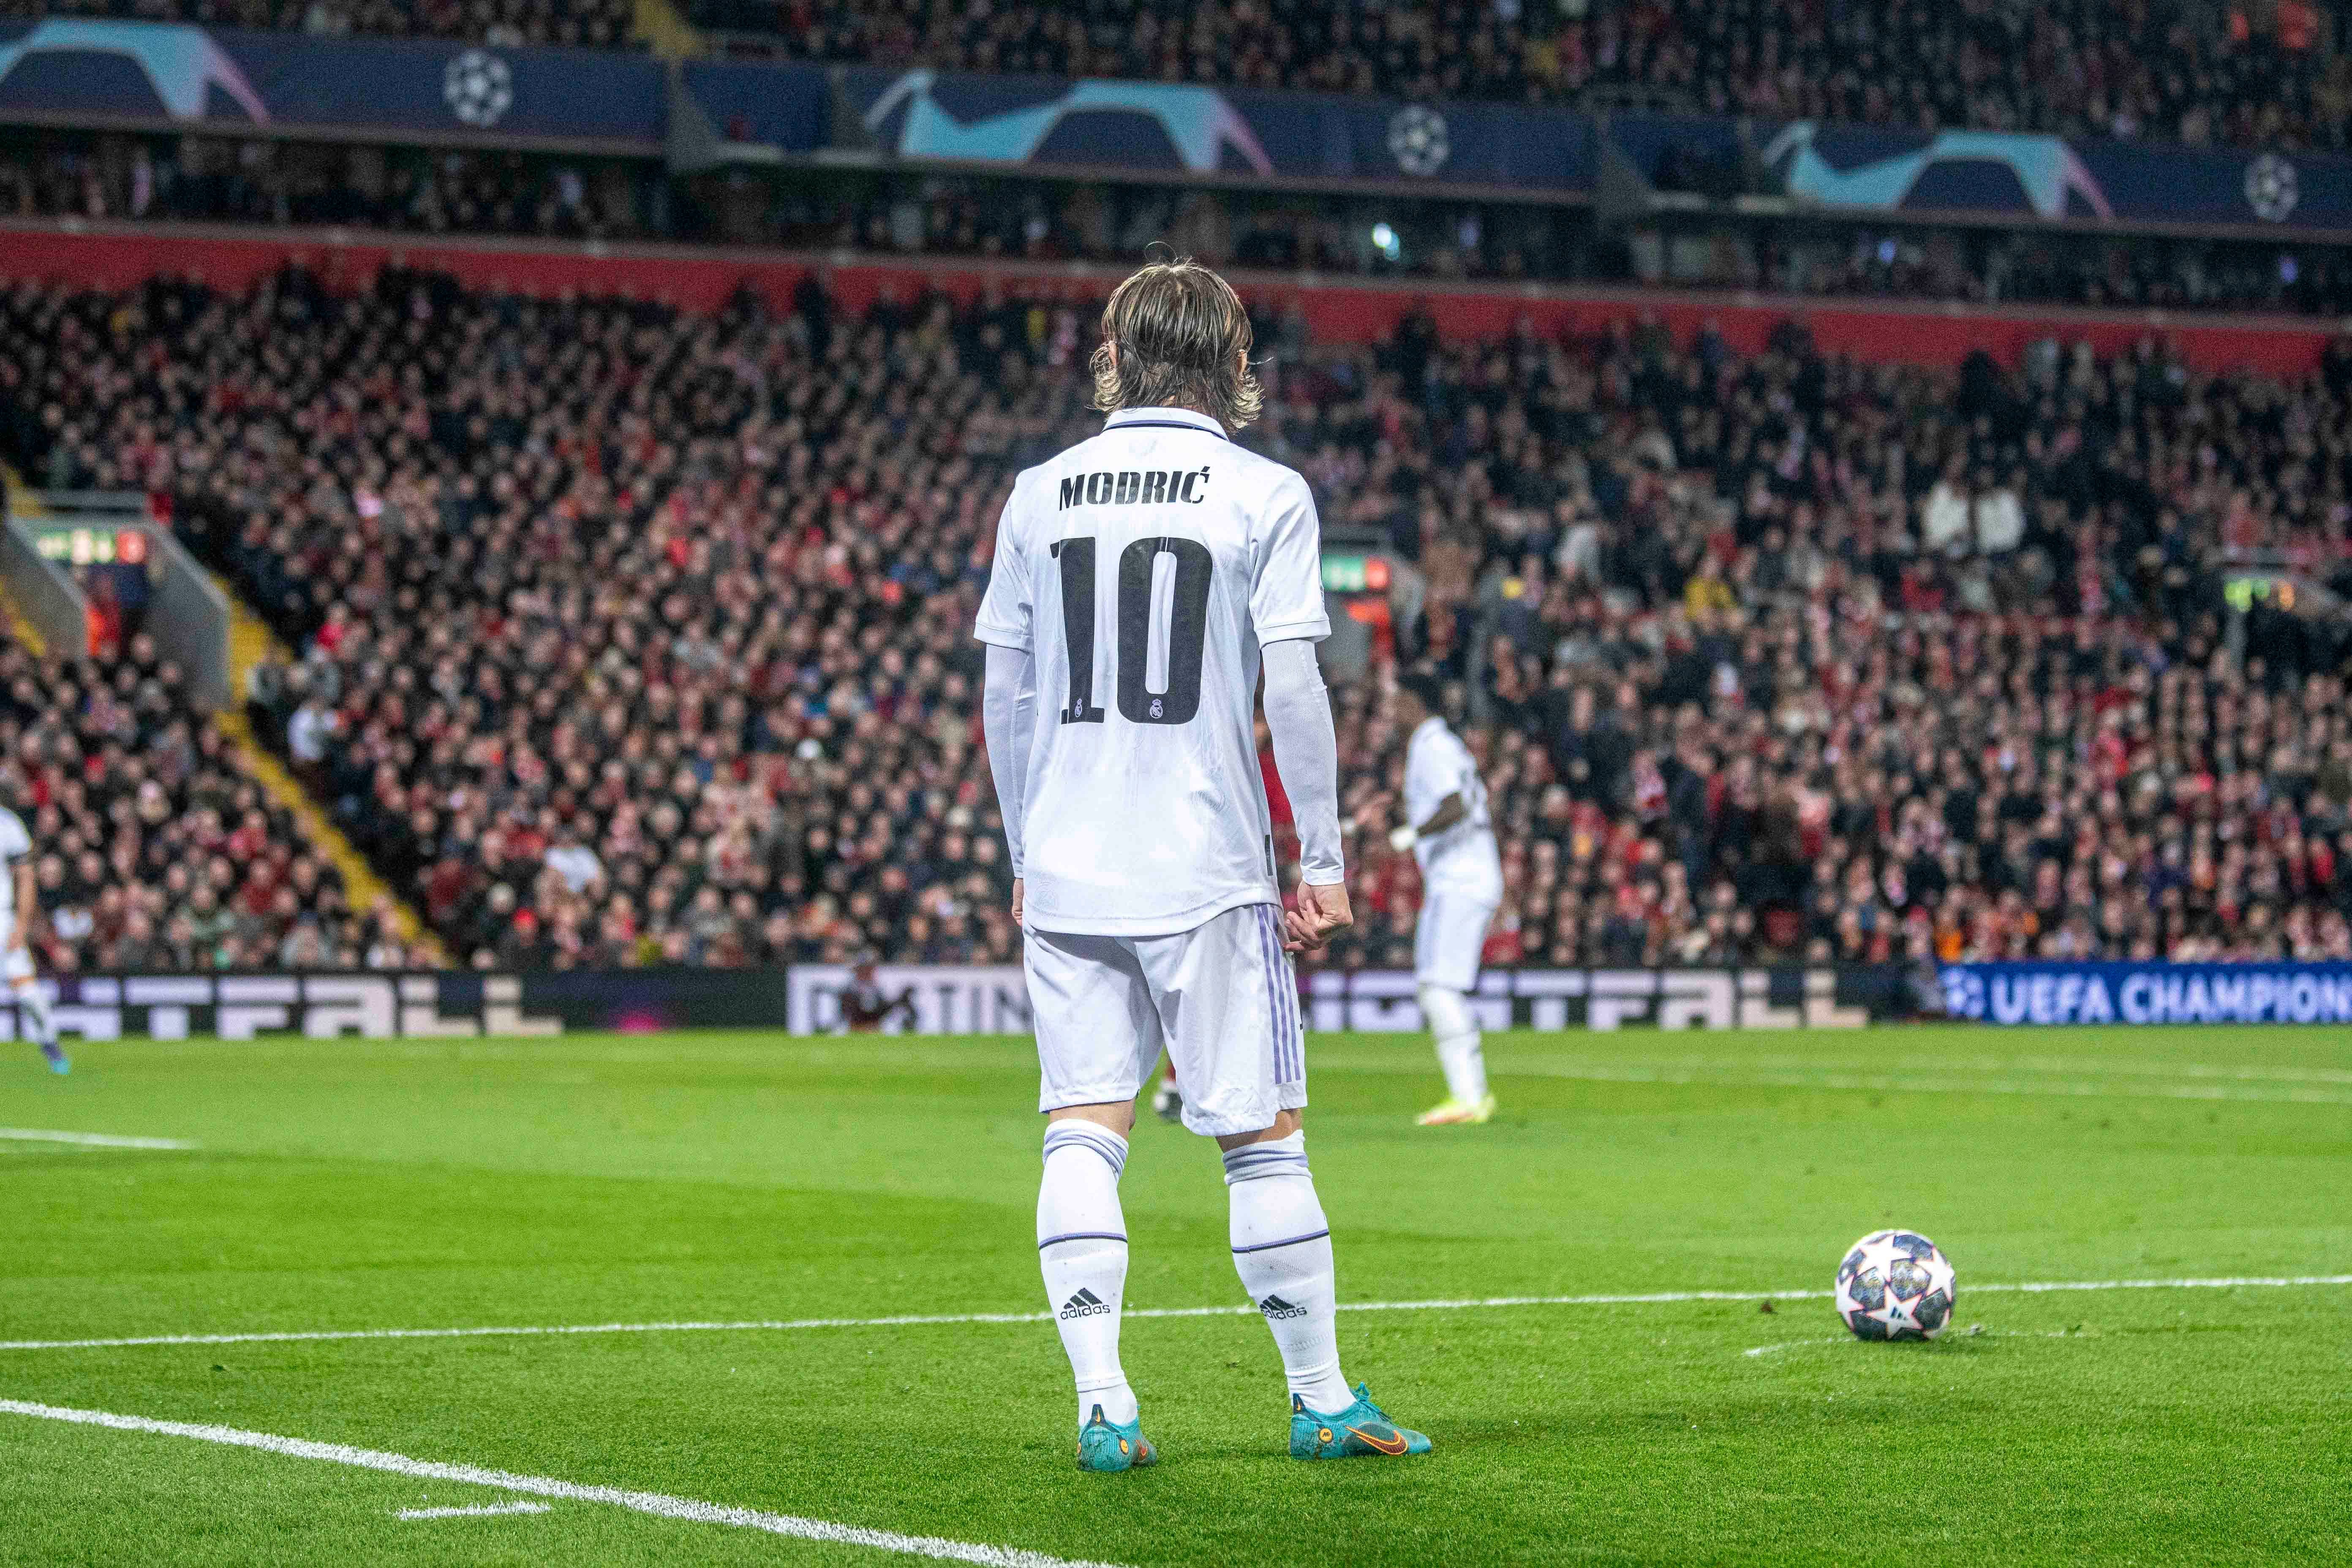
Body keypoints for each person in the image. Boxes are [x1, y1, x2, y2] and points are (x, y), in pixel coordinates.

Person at [977, 256, 1430, 1473]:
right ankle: (1322, 1399)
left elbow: (1005, 691)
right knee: (1263, 1139)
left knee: (1082, 1128)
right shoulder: (1262, 490)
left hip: (1068, 865)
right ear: (1235, 366)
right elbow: (1293, 684)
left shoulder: (1039, 492)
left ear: (1115, 359)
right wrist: (1322, 857)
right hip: (1206, 863)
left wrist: (1025, 848)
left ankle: (1104, 1405)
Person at [1380, 671, 1503, 1125]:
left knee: (1438, 987)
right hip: (1464, 877)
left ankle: (1469, 1096)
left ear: (1415, 703)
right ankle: (1471, 1094)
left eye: (1397, 702)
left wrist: (1409, 835)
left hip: (1461, 879)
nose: (1392, 712)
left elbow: (1457, 805)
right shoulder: (1441, 745)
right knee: (1436, 986)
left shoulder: (1431, 746)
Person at [0, 804, 65, 1073]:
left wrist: (22, 924)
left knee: (28, 994)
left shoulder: (6, 823)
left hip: (2, 919)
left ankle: (50, 1044)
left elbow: (26, 876)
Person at [839, 951, 916, 1032]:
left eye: (870, 969)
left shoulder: (877, 987)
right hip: (857, 1025)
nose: (868, 973)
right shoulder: (852, 988)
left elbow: (882, 1007)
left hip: (875, 1024)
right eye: (864, 969)